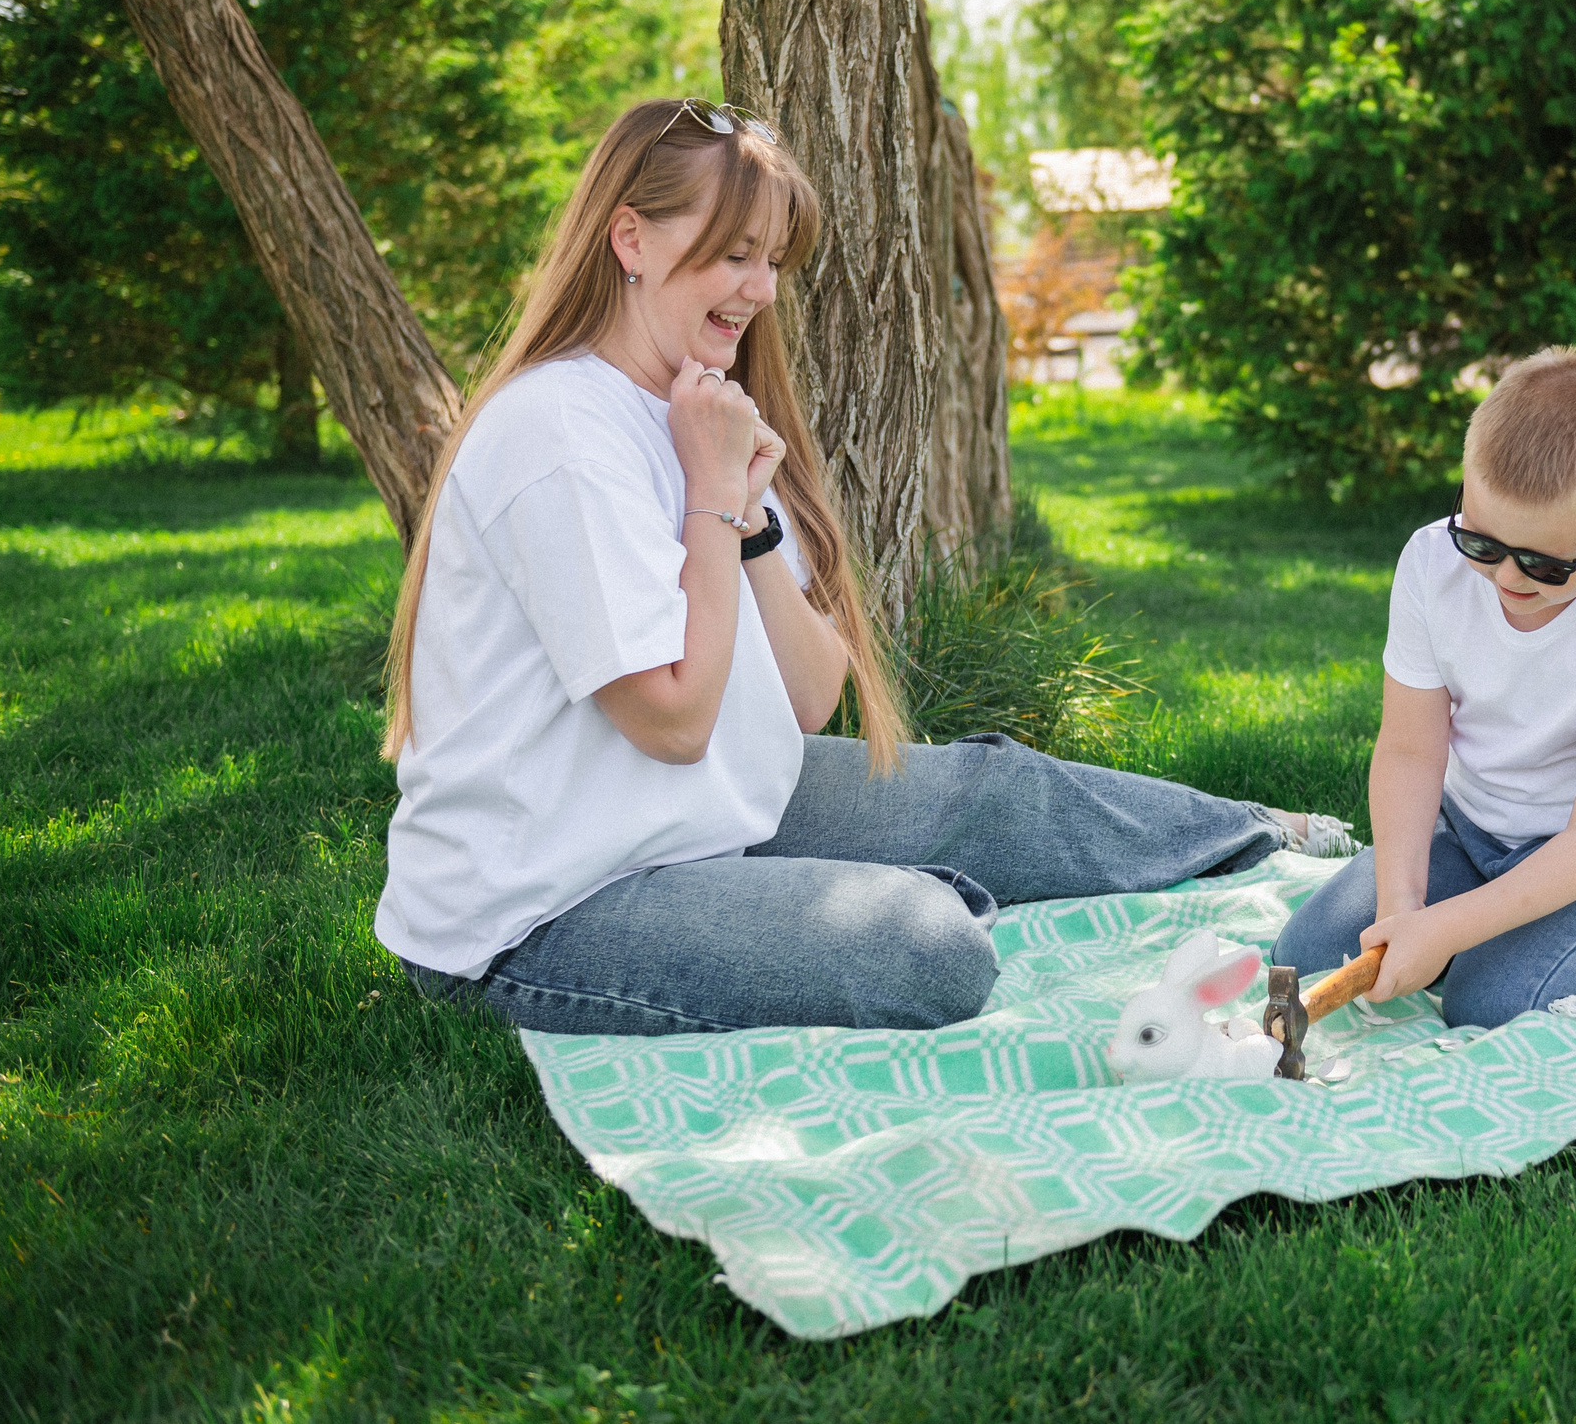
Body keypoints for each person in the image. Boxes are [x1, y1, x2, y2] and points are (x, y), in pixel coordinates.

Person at [376, 97, 1352, 1036]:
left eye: (771, 260)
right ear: (630, 239)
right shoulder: (559, 431)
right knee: (923, 946)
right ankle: (939, 900)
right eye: (732, 254)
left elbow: (807, 698)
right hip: (540, 909)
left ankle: (1264, 836)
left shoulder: (699, 408)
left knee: (992, 789)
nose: (761, 289)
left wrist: (746, 520)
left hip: (697, 814)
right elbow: (670, 723)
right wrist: (713, 498)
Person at [1271, 347, 1576, 1030]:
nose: (1508, 577)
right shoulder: (1430, 563)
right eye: (1483, 543)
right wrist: (1403, 906)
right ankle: (1499, 923)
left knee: (1491, 1002)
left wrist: (1448, 927)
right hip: (1475, 823)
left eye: (1543, 563)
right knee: (1306, 952)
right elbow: (1409, 751)